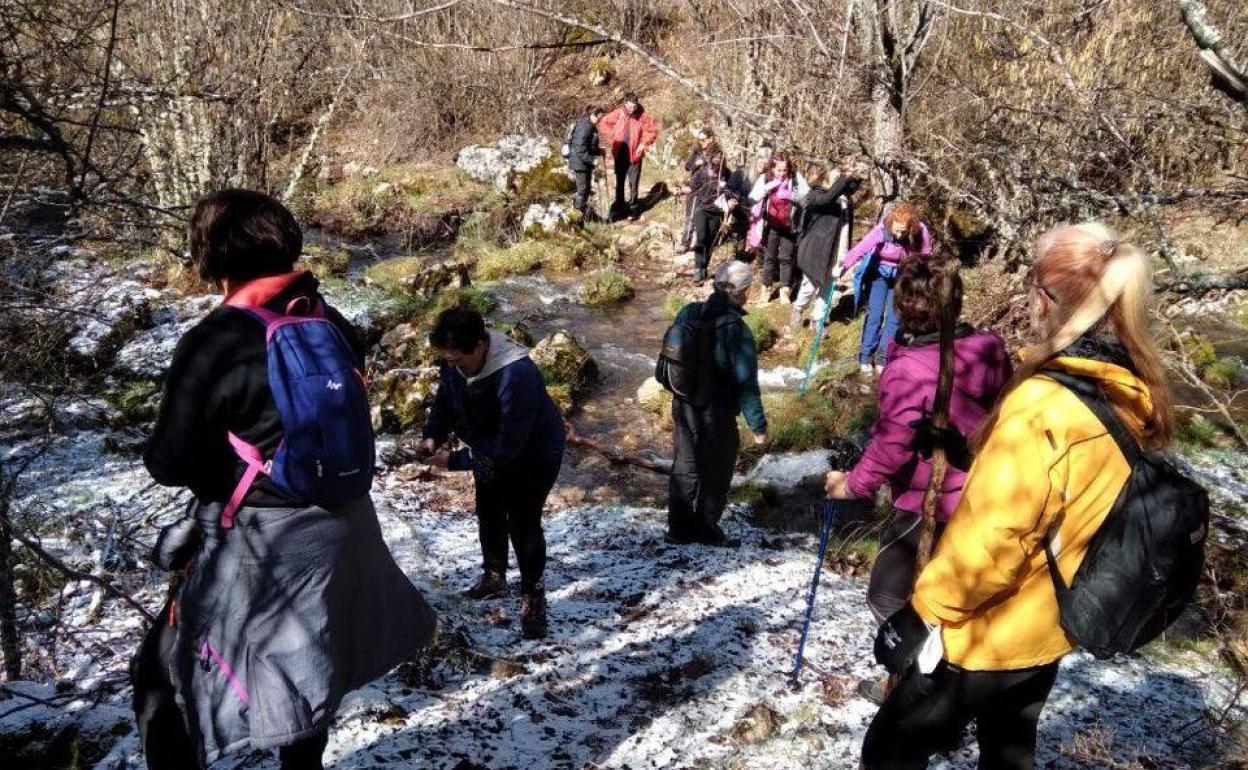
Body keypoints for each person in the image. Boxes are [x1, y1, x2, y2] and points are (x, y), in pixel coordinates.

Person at [133, 190, 435, 770]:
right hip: (343, 531)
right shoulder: (328, 318)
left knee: (161, 681)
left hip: (264, 544)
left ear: (211, 257)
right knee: (306, 671)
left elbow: (168, 463)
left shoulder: (213, 342)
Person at [860, 223, 1173, 770]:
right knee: (1008, 754)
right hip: (1050, 626)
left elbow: (995, 540)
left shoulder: (1042, 405)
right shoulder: (1125, 390)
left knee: (888, 752)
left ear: (1045, 298)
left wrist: (919, 616)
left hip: (986, 634)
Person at [823, 257, 1011, 703]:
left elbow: (893, 445)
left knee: (887, 596)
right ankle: (933, 679)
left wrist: (851, 485)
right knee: (949, 595)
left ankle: (918, 685)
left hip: (928, 500)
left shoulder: (910, 369)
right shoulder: (988, 347)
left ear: (904, 306)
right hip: (980, 495)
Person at [419, 308, 567, 639]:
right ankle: (494, 576)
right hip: (489, 446)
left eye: (459, 360)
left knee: (523, 522)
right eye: (449, 360)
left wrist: (453, 461)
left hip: (534, 454)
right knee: (489, 510)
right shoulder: (457, 361)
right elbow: (445, 400)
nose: (454, 365)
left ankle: (533, 598)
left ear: (481, 346)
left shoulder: (517, 374)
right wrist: (433, 436)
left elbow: (507, 445)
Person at [667, 261, 768, 547]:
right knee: (717, 473)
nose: (749, 295)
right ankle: (705, 528)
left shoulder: (689, 312)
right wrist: (758, 427)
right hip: (717, 412)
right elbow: (747, 384)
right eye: (748, 289)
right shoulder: (738, 330)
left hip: (683, 404)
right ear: (741, 293)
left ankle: (677, 529)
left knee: (684, 466)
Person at [840, 201, 934, 376]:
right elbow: (861, 248)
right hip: (879, 274)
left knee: (895, 319)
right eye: (896, 230)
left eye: (903, 231)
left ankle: (883, 358)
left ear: (910, 227)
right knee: (875, 315)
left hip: (903, 275)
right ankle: (866, 357)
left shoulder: (920, 231)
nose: (898, 235)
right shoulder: (881, 229)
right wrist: (843, 266)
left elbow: (927, 253)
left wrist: (924, 275)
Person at [791, 162, 863, 330]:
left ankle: (818, 320)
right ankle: (798, 309)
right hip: (817, 249)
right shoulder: (816, 194)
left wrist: (855, 176)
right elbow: (828, 198)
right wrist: (845, 177)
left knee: (828, 285)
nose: (840, 180)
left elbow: (847, 189)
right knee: (809, 285)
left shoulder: (844, 198)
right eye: (837, 178)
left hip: (837, 250)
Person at [748, 153, 810, 304]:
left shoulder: (796, 178)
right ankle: (766, 290)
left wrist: (792, 196)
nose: (782, 174)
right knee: (769, 258)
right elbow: (752, 198)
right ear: (772, 168)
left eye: (785, 170)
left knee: (786, 258)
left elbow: (808, 197)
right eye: (779, 170)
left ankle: (784, 290)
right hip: (771, 224)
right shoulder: (765, 178)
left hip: (790, 225)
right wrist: (768, 188)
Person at [596, 92, 660, 221]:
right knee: (620, 183)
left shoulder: (641, 115)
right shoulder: (618, 113)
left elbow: (652, 131)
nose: (632, 109)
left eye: (634, 106)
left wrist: (643, 143)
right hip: (620, 154)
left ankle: (633, 210)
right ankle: (619, 208)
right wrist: (613, 137)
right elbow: (603, 123)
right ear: (625, 104)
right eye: (630, 106)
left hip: (635, 156)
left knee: (634, 184)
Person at [681, 147, 739, 283]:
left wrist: (732, 200)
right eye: (713, 166)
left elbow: (731, 191)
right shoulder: (702, 172)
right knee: (701, 238)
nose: (714, 170)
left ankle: (704, 267)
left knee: (711, 241)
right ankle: (697, 269)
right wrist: (683, 190)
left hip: (717, 211)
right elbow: (692, 186)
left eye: (718, 167)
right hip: (701, 208)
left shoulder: (728, 175)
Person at [679, 128, 718, 253]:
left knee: (703, 217)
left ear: (711, 139)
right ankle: (686, 243)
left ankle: (700, 243)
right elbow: (687, 166)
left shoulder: (718, 153)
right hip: (694, 188)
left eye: (703, 140)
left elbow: (716, 171)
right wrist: (696, 163)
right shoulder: (697, 150)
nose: (701, 142)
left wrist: (707, 163)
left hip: (709, 189)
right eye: (699, 140)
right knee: (690, 216)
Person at [566, 105, 604, 224]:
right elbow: (579, 149)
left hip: (583, 162)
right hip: (579, 162)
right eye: (599, 117)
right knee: (582, 190)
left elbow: (589, 146)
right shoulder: (585, 127)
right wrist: (592, 160)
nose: (600, 119)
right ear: (593, 115)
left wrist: (598, 151)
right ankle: (578, 220)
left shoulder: (588, 125)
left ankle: (582, 216)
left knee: (586, 189)